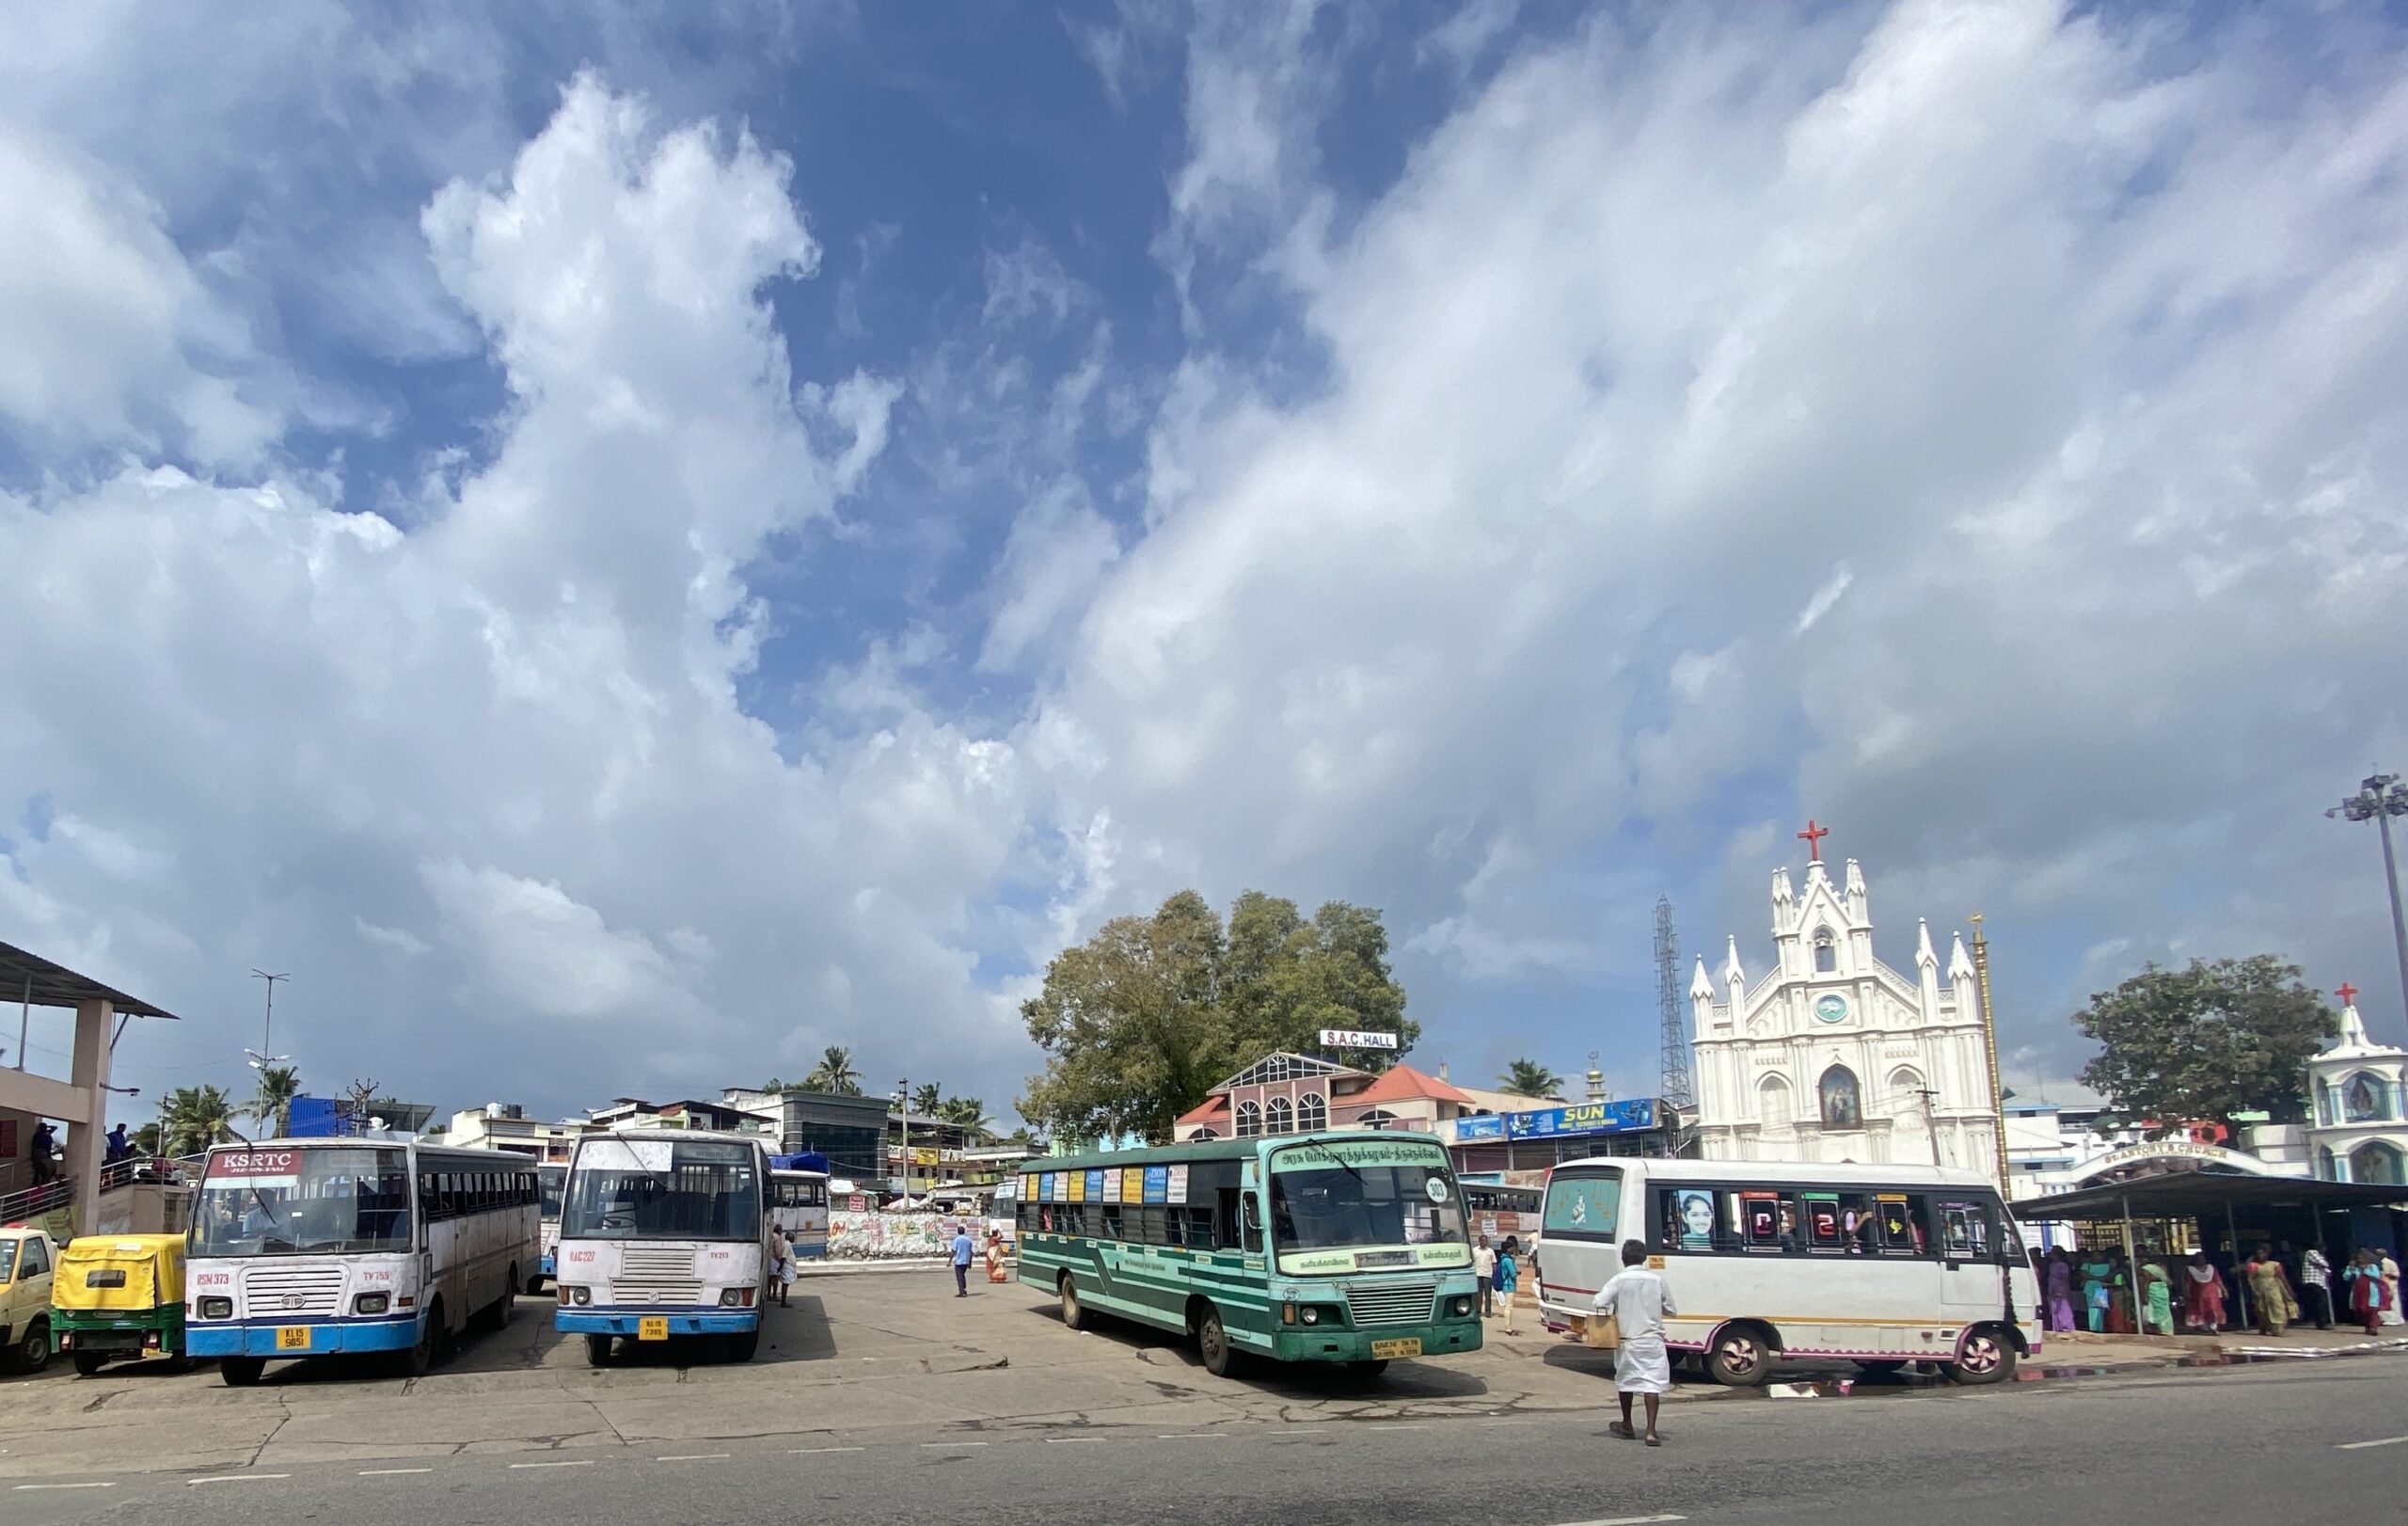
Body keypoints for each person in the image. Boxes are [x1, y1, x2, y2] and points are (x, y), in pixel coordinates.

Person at [1593, 1238, 1675, 1447]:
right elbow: (1671, 1310)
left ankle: (1627, 1424)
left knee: (1626, 1382)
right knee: (1652, 1385)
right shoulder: (1657, 1280)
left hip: (1628, 1340)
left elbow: (1599, 1302)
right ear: (1644, 1257)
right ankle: (1650, 1431)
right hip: (1652, 1340)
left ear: (1623, 1259)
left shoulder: (1619, 1280)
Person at [2246, 1244, 2295, 1337]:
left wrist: (2288, 1290)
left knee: (2278, 1307)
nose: (2261, 1256)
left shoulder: (2274, 1264)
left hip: (2274, 1288)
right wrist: (2254, 1290)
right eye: (2259, 1254)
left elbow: (2282, 1277)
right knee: (2262, 1310)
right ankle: (2265, 1327)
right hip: (2261, 1289)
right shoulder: (2253, 1265)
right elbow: (2250, 1278)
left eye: (2263, 1253)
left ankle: (2278, 1329)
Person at [2342, 1249, 2389, 1336]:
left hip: (2371, 1291)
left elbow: (2377, 1276)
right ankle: (2367, 1327)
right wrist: (2350, 1270)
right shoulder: (2354, 1267)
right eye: (2359, 1258)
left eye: (2363, 1258)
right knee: (2362, 1310)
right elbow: (2345, 1277)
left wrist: (2365, 1270)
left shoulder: (2372, 1266)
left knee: (2372, 1310)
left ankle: (2373, 1328)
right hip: (2359, 1292)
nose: (2360, 1260)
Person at [2181, 1250, 2226, 1332]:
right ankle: (2203, 1327)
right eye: (2198, 1259)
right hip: (2197, 1294)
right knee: (2199, 1309)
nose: (2200, 1260)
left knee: (2212, 1308)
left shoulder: (2211, 1268)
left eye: (2202, 1258)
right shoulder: (2190, 1270)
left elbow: (2218, 1280)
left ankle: (2213, 1327)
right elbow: (2188, 1283)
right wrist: (2187, 1292)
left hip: (2212, 1294)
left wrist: (2224, 1290)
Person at [2299, 1246, 2336, 1330]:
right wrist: (2325, 1263)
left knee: (2323, 1303)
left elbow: (2327, 1271)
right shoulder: (2311, 1252)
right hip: (2313, 1281)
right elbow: (2324, 1264)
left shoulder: (2320, 1256)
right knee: (2320, 1302)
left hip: (2321, 1283)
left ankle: (2321, 1321)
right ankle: (2321, 1323)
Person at [2045, 1248, 2077, 1333]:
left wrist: (2061, 1289)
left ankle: (2066, 1326)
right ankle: (2057, 1326)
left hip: (2060, 1288)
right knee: (2055, 1308)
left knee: (2063, 1307)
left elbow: (2064, 1278)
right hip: (2052, 1288)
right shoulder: (2052, 1264)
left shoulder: (2062, 1265)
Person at [2079, 1252, 2113, 1333]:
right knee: (2092, 1309)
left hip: (2101, 1288)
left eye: (2098, 1255)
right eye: (2094, 1255)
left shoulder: (2107, 1266)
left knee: (2100, 1310)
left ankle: (2099, 1328)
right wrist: (2099, 1277)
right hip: (2091, 1288)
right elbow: (2084, 1274)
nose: (2096, 1257)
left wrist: (2094, 1277)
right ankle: (2094, 1328)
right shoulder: (2086, 1265)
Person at [1495, 1236, 1522, 1334]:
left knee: (1508, 1306)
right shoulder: (1508, 1260)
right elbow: (1513, 1273)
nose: (1513, 1249)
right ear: (1508, 1249)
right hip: (1509, 1284)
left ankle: (1508, 1327)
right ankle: (1508, 1328)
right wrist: (1517, 1273)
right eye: (1511, 1248)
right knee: (1509, 1307)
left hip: (1506, 1284)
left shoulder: (1503, 1258)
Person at [2140, 1260, 2174, 1336]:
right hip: (2163, 1290)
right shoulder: (2163, 1267)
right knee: (2164, 1310)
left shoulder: (2147, 1268)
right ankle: (2165, 1329)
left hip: (2154, 1290)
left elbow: (2146, 1283)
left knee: (2154, 1309)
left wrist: (2144, 1295)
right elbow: (2169, 1281)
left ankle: (2157, 1327)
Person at [768, 1225, 793, 1309]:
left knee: (771, 1278)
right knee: (775, 1278)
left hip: (770, 1257)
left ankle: (769, 1294)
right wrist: (780, 1260)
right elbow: (777, 1250)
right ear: (779, 1230)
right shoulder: (777, 1237)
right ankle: (774, 1295)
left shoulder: (772, 1235)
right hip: (775, 1259)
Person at [27, 1120, 57, 1185]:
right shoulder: (38, 1134)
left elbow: (55, 1127)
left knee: (47, 1168)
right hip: (40, 1153)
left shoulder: (46, 1133)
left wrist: (47, 1127)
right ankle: (40, 1183)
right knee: (42, 1168)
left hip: (45, 1153)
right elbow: (34, 1146)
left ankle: (41, 1182)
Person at [1473, 1235, 1497, 1317]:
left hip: (1487, 1275)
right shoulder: (1474, 1250)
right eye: (1482, 1241)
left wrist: (1494, 1273)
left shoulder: (1490, 1251)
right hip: (1478, 1274)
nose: (1484, 1242)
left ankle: (1488, 1311)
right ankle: (1478, 1310)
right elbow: (1472, 1261)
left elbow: (1494, 1263)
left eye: (1485, 1241)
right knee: (1478, 1294)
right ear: (1479, 1241)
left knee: (1488, 1294)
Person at [950, 1223, 974, 1296]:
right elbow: (971, 1252)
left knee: (959, 1277)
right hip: (966, 1261)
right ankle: (963, 1289)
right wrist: (970, 1263)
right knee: (962, 1275)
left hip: (959, 1261)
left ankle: (962, 1292)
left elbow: (953, 1251)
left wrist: (949, 1261)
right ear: (964, 1231)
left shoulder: (956, 1240)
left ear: (958, 1232)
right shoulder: (968, 1240)